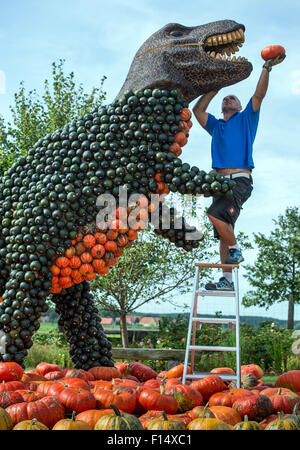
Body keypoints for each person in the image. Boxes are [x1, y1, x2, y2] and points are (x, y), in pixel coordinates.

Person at [193, 53, 286, 290]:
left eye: (233, 97)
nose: (229, 98)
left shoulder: (246, 119)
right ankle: (227, 280)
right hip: (219, 183)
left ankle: (236, 249)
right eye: (226, 97)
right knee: (224, 231)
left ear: (240, 106)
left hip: (239, 181)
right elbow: (198, 110)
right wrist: (215, 87)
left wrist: (266, 67)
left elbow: (259, 95)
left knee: (215, 215)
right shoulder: (216, 126)